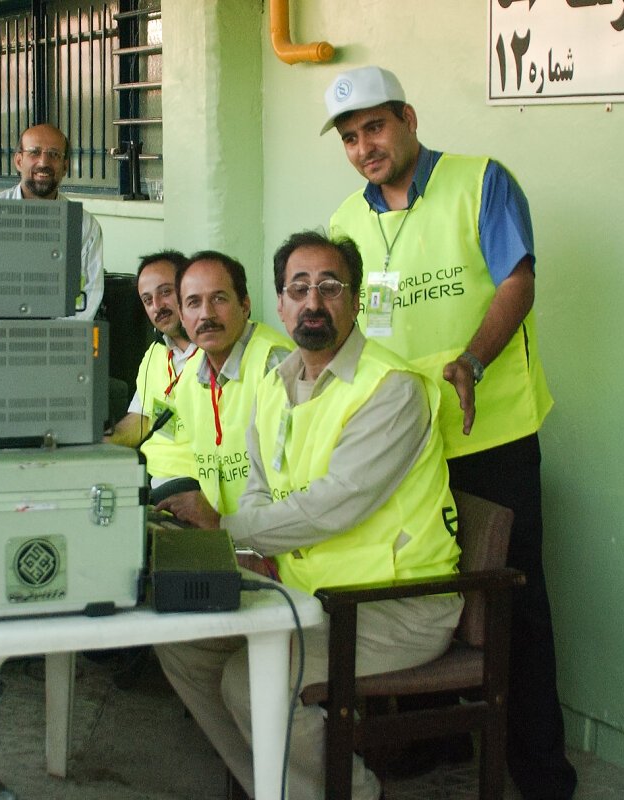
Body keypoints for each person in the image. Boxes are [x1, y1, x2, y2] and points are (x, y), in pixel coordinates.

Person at [322, 65, 575, 798]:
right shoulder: (345, 220)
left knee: (511, 605)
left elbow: (517, 282)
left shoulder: (480, 182)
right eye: (350, 138)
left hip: (490, 435)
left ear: (408, 118)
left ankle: (541, 774)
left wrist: (473, 360)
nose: (365, 147)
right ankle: (430, 742)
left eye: (375, 127)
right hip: (403, 442)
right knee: (409, 587)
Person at [156, 231, 463, 800]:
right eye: (298, 289)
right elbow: (258, 484)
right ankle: (279, 789)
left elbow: (333, 505)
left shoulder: (390, 389)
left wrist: (226, 529)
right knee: (183, 644)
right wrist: (252, 547)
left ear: (356, 299)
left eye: (330, 287)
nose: (313, 302)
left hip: (391, 605)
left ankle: (354, 794)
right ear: (280, 304)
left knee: (250, 683)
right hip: (305, 591)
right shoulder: (278, 383)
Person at [167, 250, 292, 516]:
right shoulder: (189, 377)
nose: (206, 314)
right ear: (181, 314)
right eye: (193, 303)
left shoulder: (275, 365)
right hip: (226, 532)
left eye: (219, 299)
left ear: (245, 305)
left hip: (277, 531)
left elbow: (295, 476)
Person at [105, 251, 200, 484]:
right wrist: (97, 445)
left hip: (195, 480)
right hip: (149, 474)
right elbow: (142, 420)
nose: (157, 306)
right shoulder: (155, 354)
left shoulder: (216, 351)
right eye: (147, 300)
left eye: (165, 292)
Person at [0, 123, 103, 320]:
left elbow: (90, 293)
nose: (43, 162)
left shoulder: (83, 225)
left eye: (54, 154)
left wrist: (54, 335)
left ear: (65, 166)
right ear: (18, 161)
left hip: (59, 334)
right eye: (34, 152)